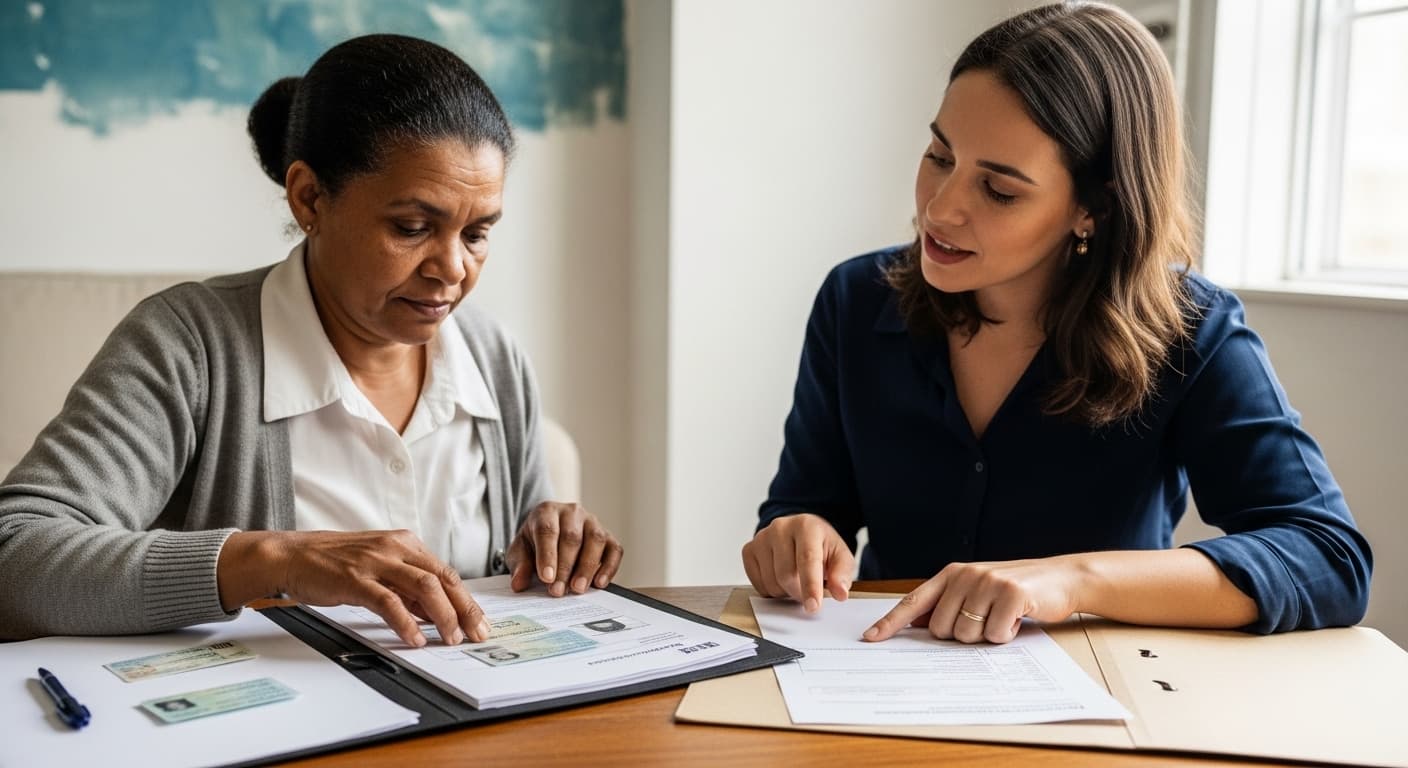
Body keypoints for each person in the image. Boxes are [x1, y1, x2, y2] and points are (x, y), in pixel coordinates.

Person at [741, 2, 1371, 645]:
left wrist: (1074, 581)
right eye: (940, 155)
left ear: (1093, 209)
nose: (941, 207)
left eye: (1000, 190)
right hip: (877, 673)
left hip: (1102, 684)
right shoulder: (854, 299)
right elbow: (804, 504)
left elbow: (1329, 559)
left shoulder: (1192, 330)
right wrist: (798, 534)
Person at [0, 34, 623, 646]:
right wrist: (275, 561)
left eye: (477, 234)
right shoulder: (188, 347)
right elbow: (16, 555)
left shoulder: (493, 358)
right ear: (309, 199)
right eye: (412, 227)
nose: (453, 269)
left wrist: (554, 538)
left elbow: (523, 568)